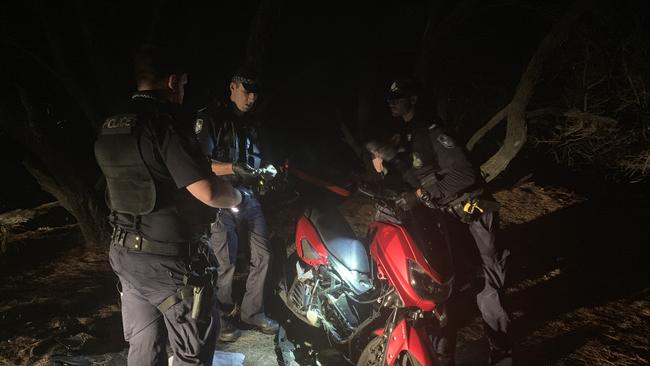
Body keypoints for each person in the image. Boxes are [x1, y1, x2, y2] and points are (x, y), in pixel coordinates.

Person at [94, 44, 242, 366]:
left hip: (125, 256)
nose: (184, 91)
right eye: (184, 84)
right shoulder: (164, 125)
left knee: (144, 345)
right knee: (192, 350)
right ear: (173, 81)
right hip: (170, 262)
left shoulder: (111, 126)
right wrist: (237, 196)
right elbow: (207, 191)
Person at [369, 77, 512, 366]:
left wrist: (422, 194)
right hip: (447, 218)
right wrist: (388, 167)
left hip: (473, 214)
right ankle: (441, 356)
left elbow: (465, 176)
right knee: (443, 285)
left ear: (414, 99)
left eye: (399, 97)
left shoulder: (433, 131)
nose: (392, 103)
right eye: (390, 99)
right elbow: (416, 177)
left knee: (487, 286)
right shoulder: (409, 135)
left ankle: (501, 354)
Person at [195, 65, 279, 341]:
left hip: (251, 195)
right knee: (224, 260)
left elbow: (261, 155)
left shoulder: (253, 121)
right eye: (247, 91)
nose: (252, 98)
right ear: (233, 88)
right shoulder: (211, 118)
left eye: (255, 93)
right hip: (222, 196)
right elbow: (201, 163)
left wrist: (268, 169)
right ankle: (220, 315)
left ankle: (252, 312)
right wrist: (233, 167)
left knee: (263, 253)